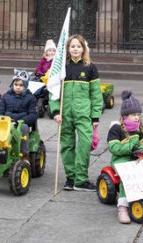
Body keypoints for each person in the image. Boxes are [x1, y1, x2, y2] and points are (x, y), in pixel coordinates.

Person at [50, 34, 102, 191]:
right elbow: (54, 91)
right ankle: (71, 178)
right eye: (72, 46)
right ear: (68, 49)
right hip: (64, 114)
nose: (75, 49)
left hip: (83, 114)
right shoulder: (61, 67)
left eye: (78, 46)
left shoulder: (90, 67)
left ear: (83, 49)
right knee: (67, 145)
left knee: (85, 144)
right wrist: (55, 111)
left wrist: (95, 116)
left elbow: (96, 94)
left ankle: (81, 179)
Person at [107, 91, 143, 224]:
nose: (137, 117)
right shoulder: (116, 129)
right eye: (134, 115)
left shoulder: (138, 128)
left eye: (138, 114)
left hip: (135, 158)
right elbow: (114, 148)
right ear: (125, 115)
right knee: (127, 176)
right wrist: (132, 144)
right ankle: (123, 207)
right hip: (120, 160)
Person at [0, 71, 37, 156]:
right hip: (7, 122)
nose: (18, 87)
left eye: (21, 85)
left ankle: (23, 153)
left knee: (23, 128)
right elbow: (0, 111)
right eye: (16, 85)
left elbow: (33, 115)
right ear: (12, 85)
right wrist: (2, 119)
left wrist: (20, 121)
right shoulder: (6, 96)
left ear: (25, 86)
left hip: (21, 122)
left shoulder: (31, 98)